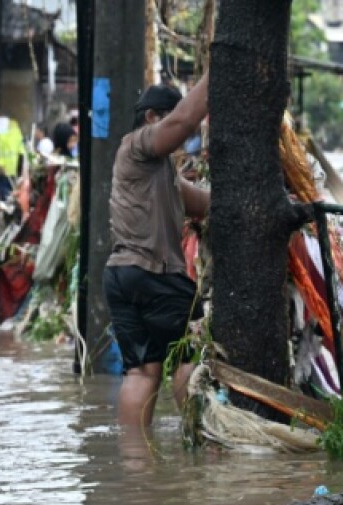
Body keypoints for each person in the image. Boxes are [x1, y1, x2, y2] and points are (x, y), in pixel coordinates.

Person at [103, 74, 210, 428]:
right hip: (154, 274)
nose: (186, 138)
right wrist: (216, 73)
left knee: (142, 372)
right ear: (152, 116)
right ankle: (199, 445)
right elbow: (183, 121)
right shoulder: (139, 143)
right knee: (189, 355)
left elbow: (200, 203)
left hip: (121, 276)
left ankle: (137, 468)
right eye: (168, 115)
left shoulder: (157, 170)